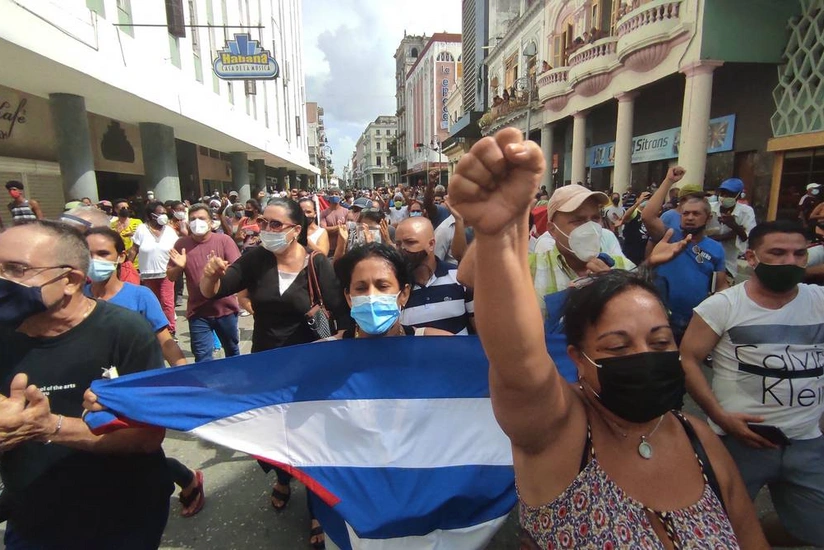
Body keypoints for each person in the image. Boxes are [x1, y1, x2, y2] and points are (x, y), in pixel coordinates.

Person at [447, 128, 768, 549]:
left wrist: (640, 266)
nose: (643, 356)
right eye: (617, 347)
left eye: (659, 343)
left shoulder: (699, 439)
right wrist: (502, 234)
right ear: (581, 358)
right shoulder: (561, 435)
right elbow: (518, 356)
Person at [0, 220, 173, 548]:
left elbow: (147, 436)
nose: (3, 280)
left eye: (16, 269)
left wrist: (49, 427)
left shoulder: (125, 331)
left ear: (70, 280)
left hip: (122, 514)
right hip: (32, 515)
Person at [199, 197, 351, 549]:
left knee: (311, 438)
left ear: (297, 230)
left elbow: (342, 319)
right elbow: (216, 290)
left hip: (310, 370)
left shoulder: (318, 265)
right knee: (268, 431)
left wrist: (334, 341)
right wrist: (209, 279)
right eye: (263, 223)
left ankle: (316, 506)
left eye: (275, 225)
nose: (265, 230)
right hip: (265, 366)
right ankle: (282, 476)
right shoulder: (255, 259)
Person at [680, 220, 824, 548]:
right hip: (737, 443)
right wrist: (720, 416)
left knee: (815, 527)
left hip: (807, 445)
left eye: (799, 253)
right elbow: (687, 359)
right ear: (752, 257)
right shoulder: (723, 306)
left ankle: (758, 535)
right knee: (715, 529)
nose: (790, 260)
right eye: (777, 252)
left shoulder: (819, 301)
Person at [83, 227, 205, 518]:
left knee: (141, 451)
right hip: (95, 393)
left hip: (139, 392)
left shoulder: (139, 297)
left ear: (120, 256)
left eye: (103, 254)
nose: (94, 261)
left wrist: (181, 372)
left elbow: (165, 340)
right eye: (88, 255)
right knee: (103, 451)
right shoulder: (77, 297)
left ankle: (186, 480)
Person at [642, 166, 728, 341]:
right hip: (660, 318)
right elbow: (648, 216)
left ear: (708, 218)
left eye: (696, 214)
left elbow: (721, 287)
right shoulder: (669, 236)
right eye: (686, 213)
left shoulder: (716, 248)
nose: (690, 217)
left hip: (695, 322)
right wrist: (669, 181)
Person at [167, 204, 242, 362]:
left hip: (225, 309)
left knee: (232, 351)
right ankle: (207, 386)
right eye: (193, 219)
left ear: (210, 222)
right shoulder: (181, 245)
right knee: (202, 357)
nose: (197, 222)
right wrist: (179, 267)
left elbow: (238, 271)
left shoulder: (224, 241)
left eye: (201, 218)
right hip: (198, 311)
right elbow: (171, 277)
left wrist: (220, 270)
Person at [331, 243, 451, 338]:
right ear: (349, 297)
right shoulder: (325, 353)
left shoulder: (435, 345)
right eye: (361, 288)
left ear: (404, 293)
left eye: (382, 286)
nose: (371, 296)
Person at [395, 217, 475, 335]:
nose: (402, 249)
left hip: (459, 352)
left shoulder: (459, 277)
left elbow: (481, 331)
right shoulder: (395, 286)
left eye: (410, 242)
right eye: (398, 244)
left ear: (431, 244)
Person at [130, 201, 180, 336]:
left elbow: (177, 249)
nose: (164, 216)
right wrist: (127, 267)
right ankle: (157, 330)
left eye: (165, 213)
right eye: (160, 213)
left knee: (167, 303)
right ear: (151, 215)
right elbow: (134, 250)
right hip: (147, 274)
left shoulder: (169, 231)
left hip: (166, 274)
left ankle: (170, 331)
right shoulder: (141, 229)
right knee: (153, 304)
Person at [707, 178, 757, 282]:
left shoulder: (746, 212)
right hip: (705, 259)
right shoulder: (709, 208)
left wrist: (733, 225)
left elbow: (748, 237)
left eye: (729, 194)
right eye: (722, 193)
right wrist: (733, 234)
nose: (724, 197)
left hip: (727, 263)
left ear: (739, 195)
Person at [111, 198, 143, 265]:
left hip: (137, 261)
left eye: (127, 208)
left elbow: (145, 237)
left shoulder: (137, 222)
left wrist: (134, 234)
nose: (126, 209)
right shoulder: (112, 225)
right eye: (123, 208)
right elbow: (110, 242)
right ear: (116, 210)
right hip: (121, 260)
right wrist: (117, 233)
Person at [320, 189, 348, 255]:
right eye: (331, 194)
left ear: (340, 197)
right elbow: (324, 229)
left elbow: (348, 228)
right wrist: (339, 227)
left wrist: (332, 229)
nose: (334, 196)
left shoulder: (346, 211)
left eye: (336, 194)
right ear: (328, 197)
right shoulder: (324, 213)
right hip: (330, 248)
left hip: (344, 247)